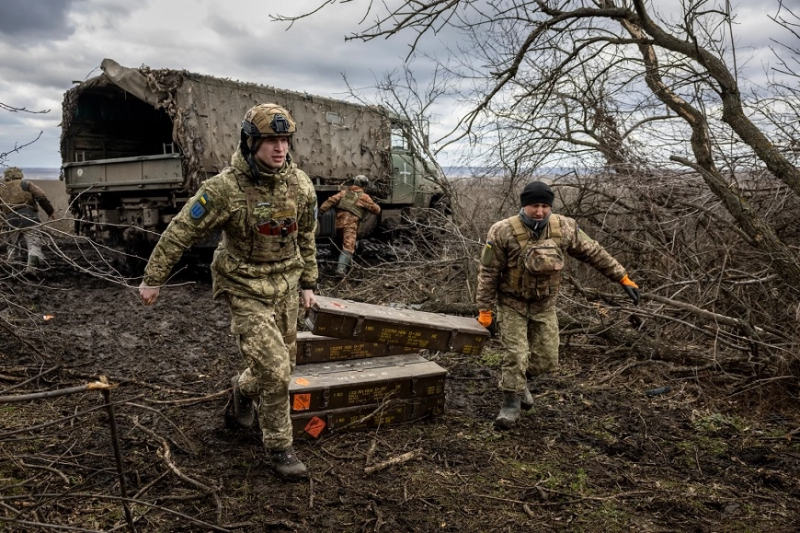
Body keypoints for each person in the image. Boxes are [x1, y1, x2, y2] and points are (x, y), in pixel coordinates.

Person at [138, 103, 319, 480]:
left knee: (283, 367)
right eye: (271, 140)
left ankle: (240, 390)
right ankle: (280, 448)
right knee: (275, 371)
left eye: (284, 140)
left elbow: (306, 236)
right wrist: (153, 278)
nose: (279, 148)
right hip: (243, 286)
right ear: (251, 142)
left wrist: (309, 283)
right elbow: (180, 232)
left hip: (286, 285)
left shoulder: (300, 185)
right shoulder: (224, 189)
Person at [475, 181, 640, 430]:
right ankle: (510, 404)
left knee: (547, 359)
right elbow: (488, 272)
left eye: (544, 206)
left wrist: (621, 276)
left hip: (545, 304)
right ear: (524, 205)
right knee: (516, 356)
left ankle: (521, 385)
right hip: (511, 303)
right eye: (534, 206)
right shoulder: (502, 231)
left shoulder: (564, 227)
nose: (539, 212)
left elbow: (593, 252)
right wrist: (485, 311)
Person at [317, 174, 381, 275]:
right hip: (350, 225)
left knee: (338, 243)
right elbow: (376, 210)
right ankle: (340, 270)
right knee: (348, 246)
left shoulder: (344, 192)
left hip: (337, 224)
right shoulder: (364, 197)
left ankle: (338, 263)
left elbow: (330, 201)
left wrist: (320, 213)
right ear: (364, 186)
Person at [0, 166, 55, 274]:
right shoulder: (25, 184)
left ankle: (13, 268)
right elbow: (41, 196)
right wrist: (50, 211)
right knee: (33, 244)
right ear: (20, 175)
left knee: (12, 246)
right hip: (29, 218)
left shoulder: (2, 188)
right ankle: (31, 269)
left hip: (10, 220)